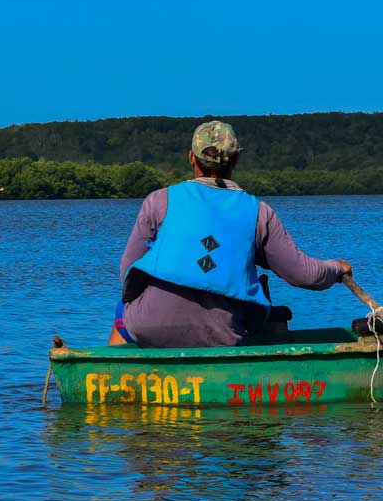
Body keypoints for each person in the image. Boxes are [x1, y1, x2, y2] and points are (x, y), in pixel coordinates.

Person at [111, 120, 351, 348]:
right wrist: (337, 269)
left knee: (123, 308)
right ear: (236, 160)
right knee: (261, 309)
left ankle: (113, 374)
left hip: (150, 326)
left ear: (191, 157)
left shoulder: (159, 200)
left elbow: (128, 270)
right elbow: (303, 275)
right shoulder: (259, 212)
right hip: (222, 333)